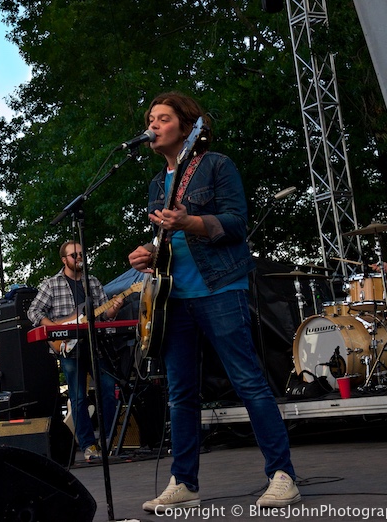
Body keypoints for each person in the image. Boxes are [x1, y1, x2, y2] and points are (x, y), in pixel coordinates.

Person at [128, 92, 299, 512]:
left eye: (163, 118)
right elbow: (167, 241)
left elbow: (237, 224)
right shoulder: (156, 185)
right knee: (181, 394)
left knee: (248, 382)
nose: (153, 126)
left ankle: (283, 476)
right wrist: (148, 253)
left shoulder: (217, 165)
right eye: (151, 119)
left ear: (187, 127)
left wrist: (191, 221)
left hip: (220, 287)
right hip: (173, 297)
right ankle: (184, 482)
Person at [27, 240, 122, 462]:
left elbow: (105, 315)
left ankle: (109, 441)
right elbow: (33, 312)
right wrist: (55, 329)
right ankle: (88, 445)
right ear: (64, 260)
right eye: (74, 255)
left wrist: (114, 308)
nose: (79, 257)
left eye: (81, 254)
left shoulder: (93, 282)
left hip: (96, 345)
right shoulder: (52, 284)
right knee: (78, 398)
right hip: (69, 348)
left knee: (109, 391)